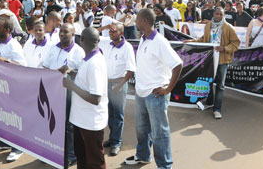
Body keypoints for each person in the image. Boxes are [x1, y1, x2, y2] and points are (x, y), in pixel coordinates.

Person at [124, 9, 182, 169]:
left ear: (143, 21)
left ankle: (165, 165)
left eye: (136, 20)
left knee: (159, 133)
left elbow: (178, 65)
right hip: (141, 93)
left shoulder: (159, 41)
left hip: (155, 95)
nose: (135, 23)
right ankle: (143, 156)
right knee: (142, 129)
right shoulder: (144, 39)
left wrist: (168, 88)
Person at [62, 27, 108, 169]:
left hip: (91, 122)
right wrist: (73, 73)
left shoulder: (95, 63)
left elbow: (96, 99)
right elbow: (85, 81)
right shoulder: (88, 59)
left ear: (81, 40)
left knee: (95, 161)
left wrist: (72, 86)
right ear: (97, 41)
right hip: (81, 119)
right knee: (82, 157)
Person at [0, 18, 27, 162]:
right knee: (3, 117)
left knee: (13, 118)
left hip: (12, 88)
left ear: (7, 30)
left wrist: (6, 61)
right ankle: (5, 143)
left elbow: (22, 65)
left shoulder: (14, 46)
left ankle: (18, 148)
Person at [184, 7, 240, 119]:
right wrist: (191, 41)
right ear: (213, 14)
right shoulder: (208, 25)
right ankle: (210, 102)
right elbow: (203, 39)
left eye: (221, 14)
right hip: (210, 59)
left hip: (222, 60)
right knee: (209, 82)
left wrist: (224, 48)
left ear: (223, 15)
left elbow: (236, 43)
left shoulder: (228, 27)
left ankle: (217, 109)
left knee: (220, 85)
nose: (218, 16)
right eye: (217, 14)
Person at [43, 23, 85, 166]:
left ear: (73, 34)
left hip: (69, 93)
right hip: (53, 91)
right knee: (52, 121)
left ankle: (71, 154)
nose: (62, 34)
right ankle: (54, 151)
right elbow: (45, 67)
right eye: (61, 32)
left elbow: (84, 74)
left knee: (69, 125)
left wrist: (70, 71)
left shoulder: (79, 52)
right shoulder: (53, 48)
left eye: (66, 32)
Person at [98, 23, 136, 156]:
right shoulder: (106, 43)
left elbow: (130, 70)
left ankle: (116, 142)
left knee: (118, 115)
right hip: (105, 84)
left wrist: (119, 86)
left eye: (114, 31)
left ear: (121, 33)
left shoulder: (127, 47)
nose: (111, 33)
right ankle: (112, 138)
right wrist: (104, 28)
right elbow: (92, 33)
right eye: (110, 31)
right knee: (109, 113)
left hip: (118, 85)